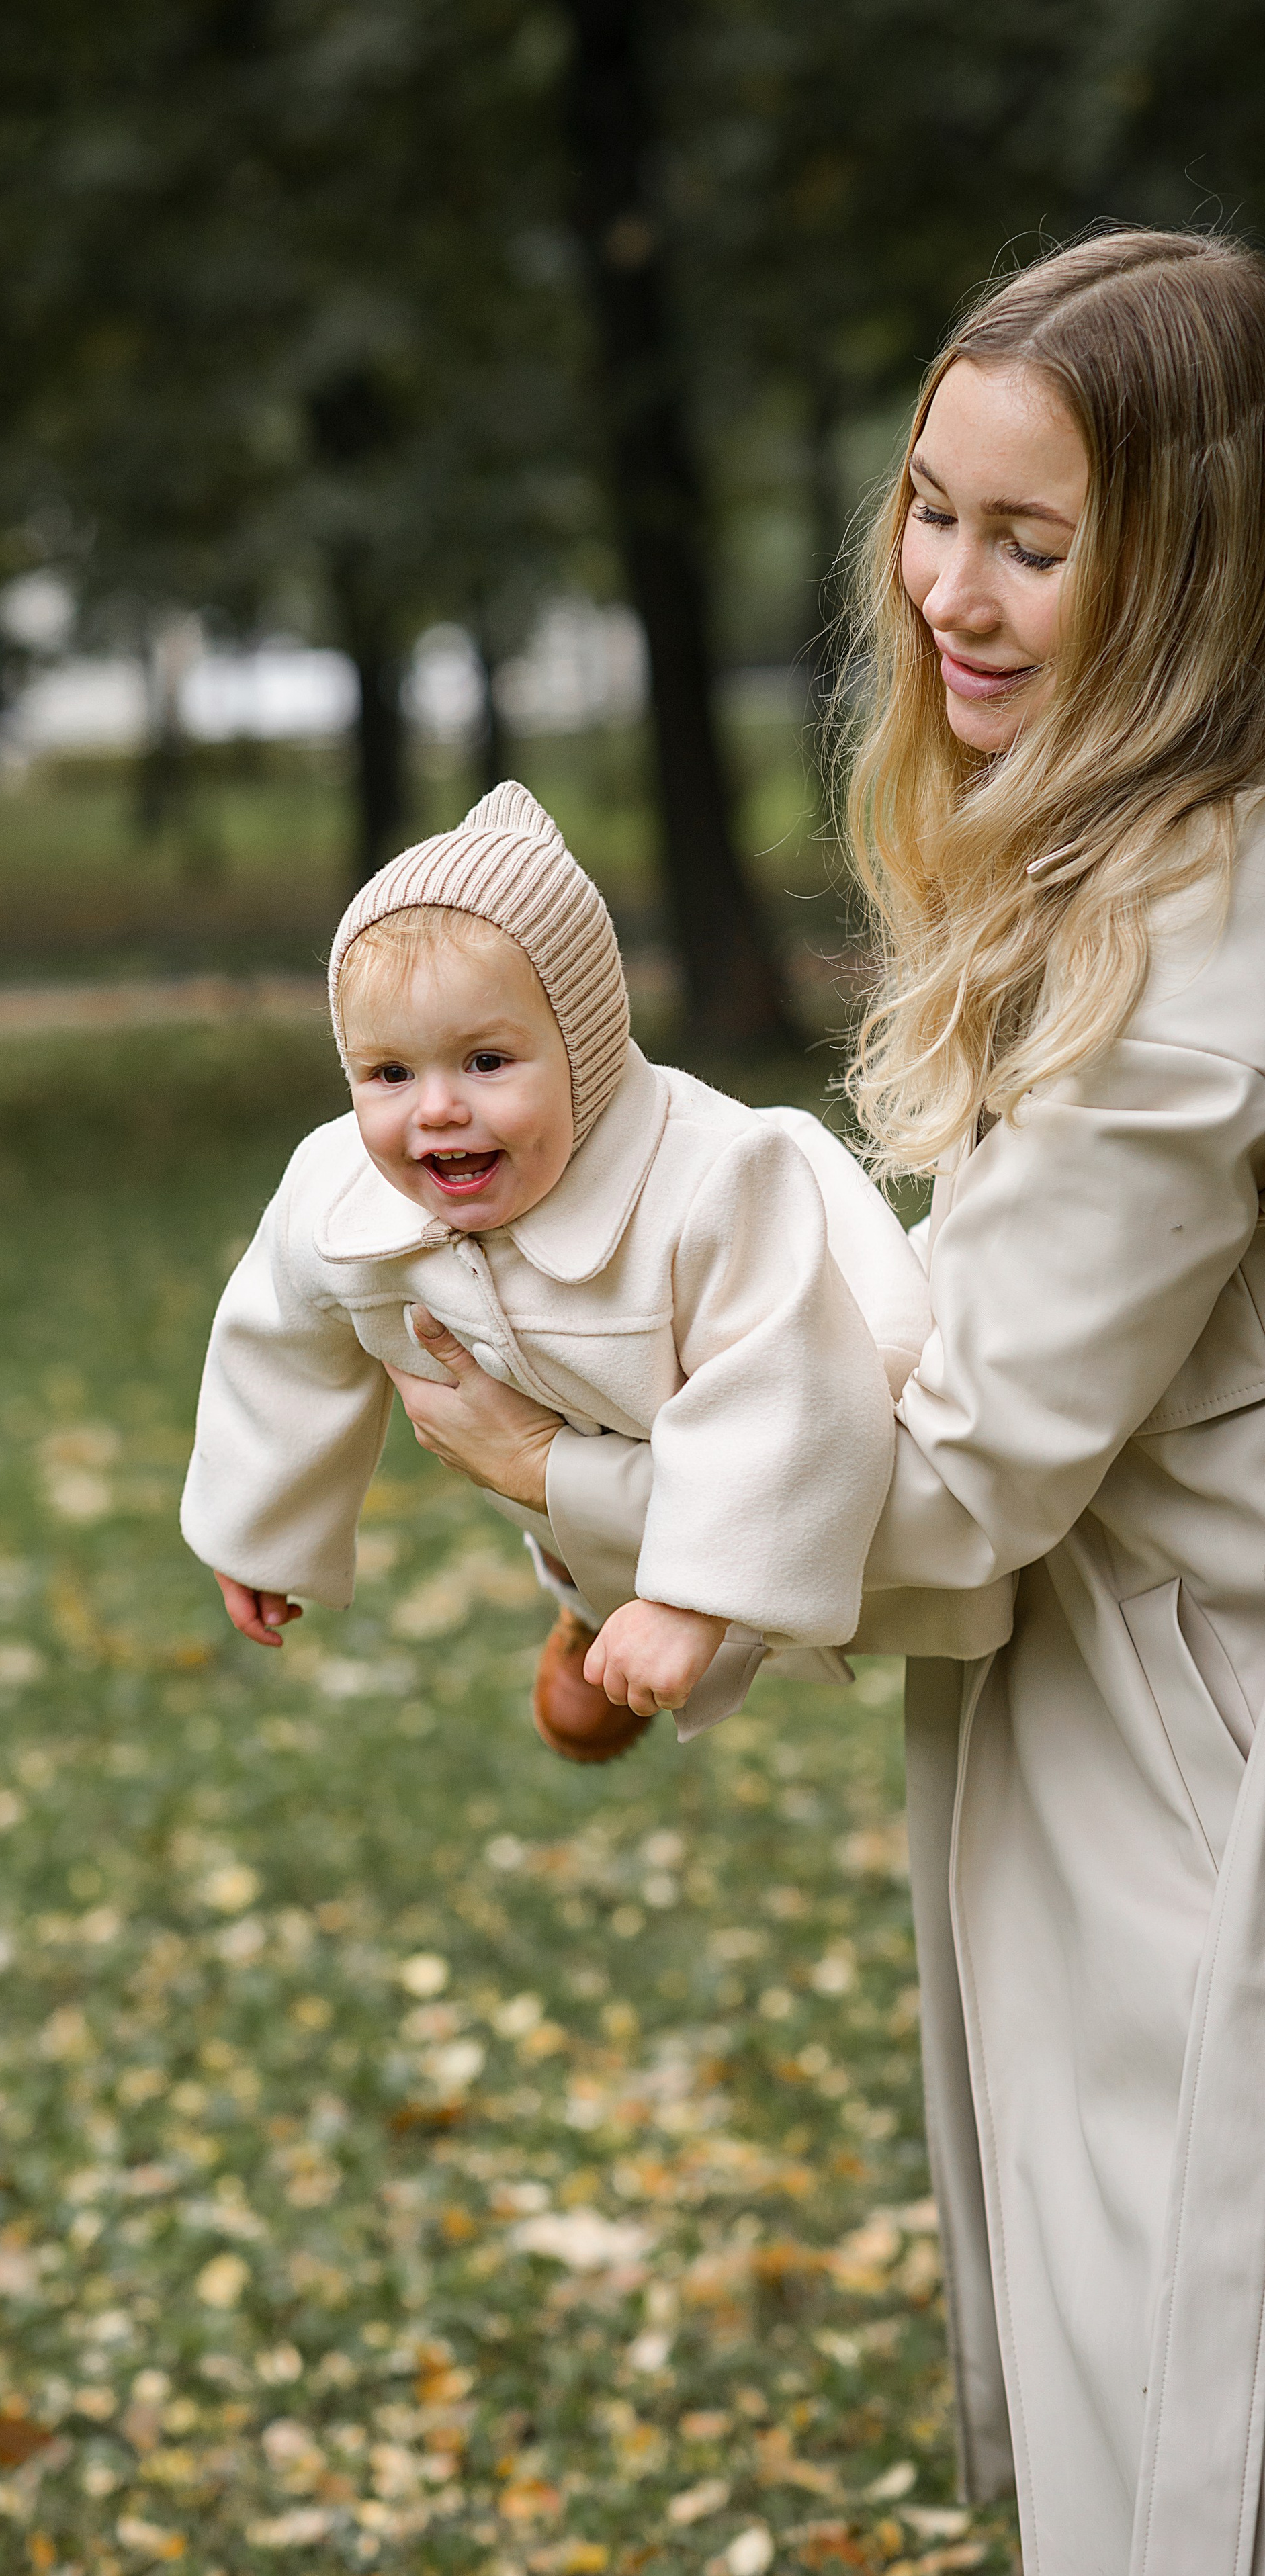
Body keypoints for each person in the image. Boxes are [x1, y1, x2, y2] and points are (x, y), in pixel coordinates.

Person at [386, 230, 1265, 2576]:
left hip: (1195, 1818)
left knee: (1192, 2459)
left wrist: (567, 1471)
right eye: (932, 507)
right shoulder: (1139, 875)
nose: (950, 591)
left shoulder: (1193, 964)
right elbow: (949, 1364)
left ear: (1190, 570)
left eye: (1036, 540)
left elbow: (967, 1474)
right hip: (1122, 1748)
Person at [179, 779, 933, 1748]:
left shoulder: (710, 1187)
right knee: (570, 1508)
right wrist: (258, 1525)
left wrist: (692, 1606)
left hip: (805, 1384)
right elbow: (278, 1338)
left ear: (583, 1052)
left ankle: (659, 1611)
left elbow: (788, 1391)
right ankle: (585, 1607)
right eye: (389, 1074)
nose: (437, 1109)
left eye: (486, 1062)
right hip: (587, 1447)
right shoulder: (338, 1191)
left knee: (762, 1470)